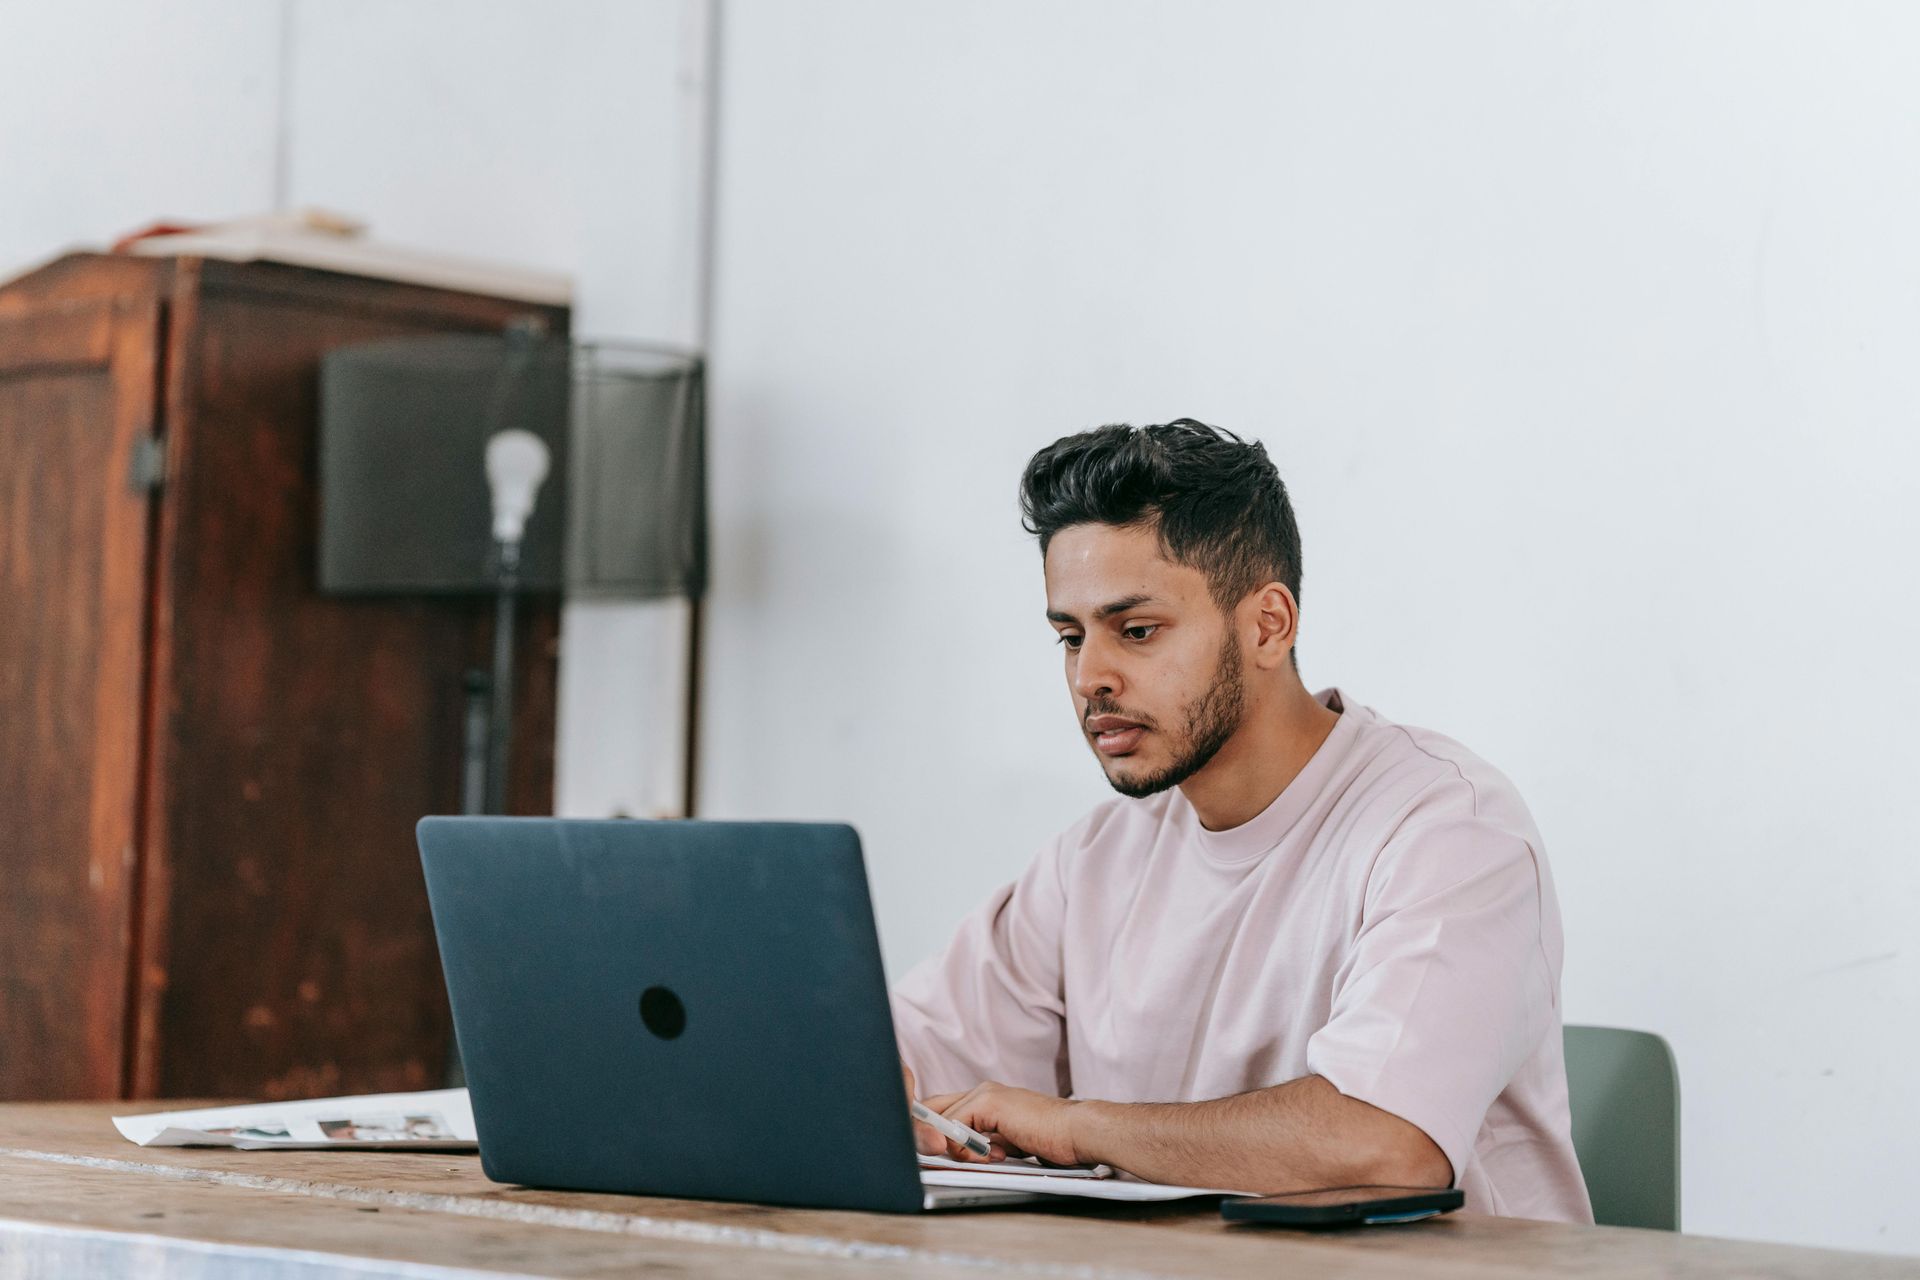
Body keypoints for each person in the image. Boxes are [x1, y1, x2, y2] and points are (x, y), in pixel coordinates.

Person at [891, 419, 1593, 1223]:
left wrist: (1074, 1124)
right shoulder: (1094, 860)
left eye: (1137, 631)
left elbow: (1388, 1144)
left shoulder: (1450, 831)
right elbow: (892, 1060)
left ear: (1268, 625)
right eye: (1069, 637)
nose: (1090, 678)